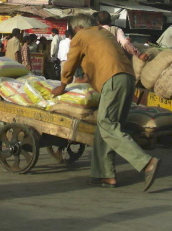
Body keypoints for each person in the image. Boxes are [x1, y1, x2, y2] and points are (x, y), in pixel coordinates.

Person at [52, 14, 161, 191]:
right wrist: (86, 78)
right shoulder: (105, 34)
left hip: (113, 79)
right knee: (105, 129)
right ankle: (104, 175)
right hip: (127, 78)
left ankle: (146, 162)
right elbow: (101, 61)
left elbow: (70, 63)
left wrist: (63, 84)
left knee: (107, 123)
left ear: (78, 28)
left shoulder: (81, 36)